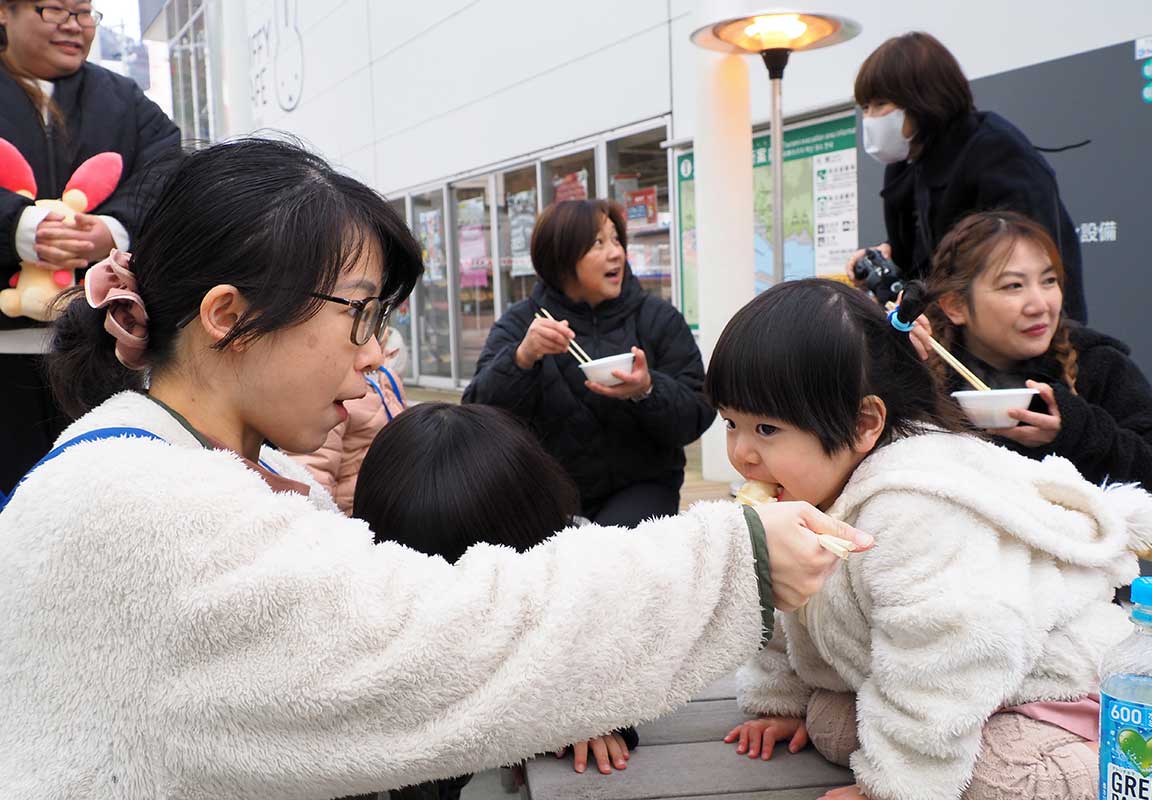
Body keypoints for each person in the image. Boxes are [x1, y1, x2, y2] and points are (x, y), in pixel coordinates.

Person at [0, 139, 872, 799]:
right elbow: (454, 638)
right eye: (359, 313)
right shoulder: (146, 511)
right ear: (229, 316)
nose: (378, 350)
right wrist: (739, 559)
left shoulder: (172, 466)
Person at [707, 279, 1152, 800]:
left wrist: (893, 789)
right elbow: (785, 607)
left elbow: (948, 652)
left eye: (766, 429)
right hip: (942, 680)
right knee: (832, 726)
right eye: (730, 423)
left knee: (999, 782)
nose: (742, 453)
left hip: (1040, 683)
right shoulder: (801, 490)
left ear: (863, 423)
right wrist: (780, 703)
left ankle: (1123, 758)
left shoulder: (913, 507)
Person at [353, 402, 636, 798]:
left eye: (478, 582)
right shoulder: (367, 599)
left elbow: (615, 647)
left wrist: (592, 716)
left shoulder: (572, 566)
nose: (459, 603)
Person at [906, 210, 1152, 540]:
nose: (1040, 304)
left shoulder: (1097, 365)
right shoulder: (926, 374)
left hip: (1085, 585)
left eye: (1049, 281)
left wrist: (1079, 431)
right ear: (955, 306)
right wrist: (894, 364)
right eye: (1013, 286)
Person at [0, 0, 180, 494]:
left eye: (84, 13)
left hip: (99, 350)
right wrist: (17, 227)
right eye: (54, 8)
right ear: (4, 12)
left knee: (99, 494)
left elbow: (167, 170)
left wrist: (112, 230)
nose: (74, 25)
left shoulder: (121, 97)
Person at [462, 199, 713, 527]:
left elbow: (698, 411)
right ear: (561, 257)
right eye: (598, 243)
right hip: (546, 493)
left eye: (616, 239)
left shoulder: (657, 318)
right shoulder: (522, 323)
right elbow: (478, 415)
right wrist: (522, 358)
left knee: (610, 556)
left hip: (642, 486)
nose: (616, 253)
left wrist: (647, 389)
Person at [845, 31, 1086, 323]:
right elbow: (918, 262)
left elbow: (1029, 266)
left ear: (922, 99)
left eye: (880, 104)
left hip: (1024, 336)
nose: (870, 118)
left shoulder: (998, 154)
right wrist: (886, 259)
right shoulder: (906, 164)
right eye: (865, 108)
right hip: (948, 339)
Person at [288, 330, 408, 515]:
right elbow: (315, 470)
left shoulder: (388, 377)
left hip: (394, 504)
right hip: (355, 514)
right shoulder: (335, 393)